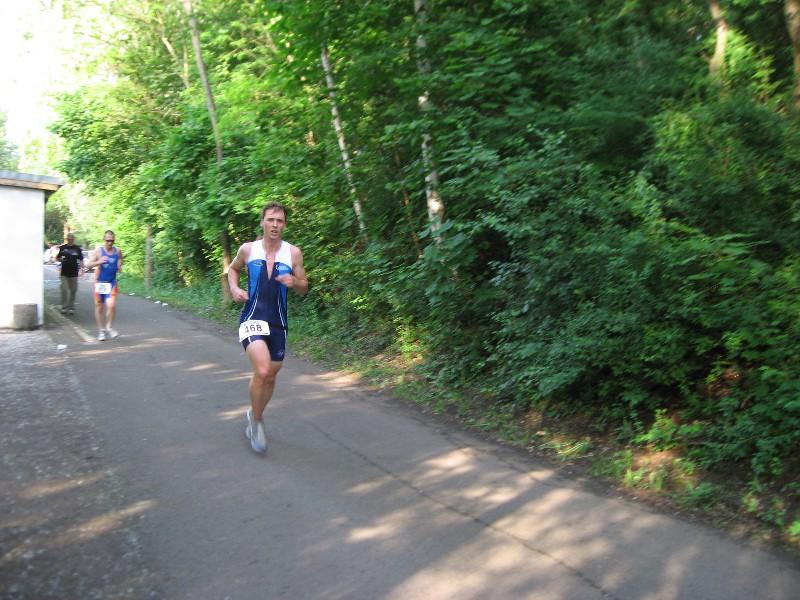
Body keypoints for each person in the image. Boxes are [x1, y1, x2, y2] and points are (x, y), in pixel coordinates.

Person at [228, 202, 308, 454]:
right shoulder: (248, 249)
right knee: (262, 370)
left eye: (280, 221)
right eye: (271, 220)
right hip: (252, 318)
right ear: (262, 222)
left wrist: (294, 281)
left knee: (271, 375)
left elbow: (304, 287)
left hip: (279, 323)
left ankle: (255, 414)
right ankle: (257, 422)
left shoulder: (293, 253)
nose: (275, 225)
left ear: (285, 225)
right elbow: (233, 270)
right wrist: (234, 288)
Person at [84, 230, 123, 341]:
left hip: (111, 283)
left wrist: (119, 265)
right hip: (100, 283)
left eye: (112, 240)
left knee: (111, 305)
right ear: (104, 240)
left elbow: (120, 258)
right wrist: (98, 262)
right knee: (99, 307)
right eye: (107, 240)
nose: (110, 243)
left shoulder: (117, 251)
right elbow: (88, 265)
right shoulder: (98, 251)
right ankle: (101, 331)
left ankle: (109, 327)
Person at [56, 232, 83, 314]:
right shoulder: (63, 248)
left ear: (74, 239)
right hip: (64, 273)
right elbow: (58, 257)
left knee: (73, 290)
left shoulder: (77, 248)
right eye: (68, 239)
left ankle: (71, 307)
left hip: (74, 273)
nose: (70, 240)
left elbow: (81, 259)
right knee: (64, 289)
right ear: (67, 239)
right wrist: (61, 260)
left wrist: (82, 268)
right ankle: (64, 307)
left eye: (71, 239)